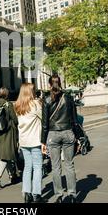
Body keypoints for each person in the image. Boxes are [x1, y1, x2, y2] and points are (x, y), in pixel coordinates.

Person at [42, 75, 77, 204]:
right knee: (69, 164)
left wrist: (42, 141)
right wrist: (77, 137)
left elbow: (44, 123)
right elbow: (74, 119)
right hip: (68, 132)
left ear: (50, 84)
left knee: (56, 167)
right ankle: (72, 194)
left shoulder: (46, 99)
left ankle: (58, 195)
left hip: (52, 134)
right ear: (60, 83)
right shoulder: (68, 98)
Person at [15, 83, 45, 203]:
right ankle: (36, 194)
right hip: (35, 140)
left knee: (27, 167)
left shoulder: (17, 106)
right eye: (33, 90)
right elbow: (43, 117)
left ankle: (26, 193)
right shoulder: (35, 104)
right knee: (38, 167)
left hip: (24, 141)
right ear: (29, 92)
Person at [0, 87, 20, 190]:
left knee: (7, 156)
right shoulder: (8, 104)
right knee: (5, 157)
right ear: (7, 95)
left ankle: (13, 176)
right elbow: (15, 120)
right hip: (7, 134)